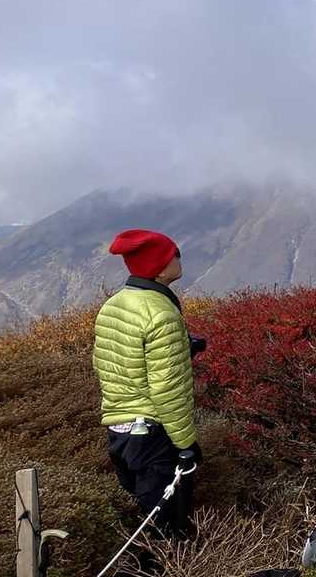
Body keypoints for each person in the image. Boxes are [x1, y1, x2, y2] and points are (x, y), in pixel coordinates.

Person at [92, 229, 202, 539]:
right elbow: (167, 390)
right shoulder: (161, 314)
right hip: (154, 436)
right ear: (160, 267)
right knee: (168, 527)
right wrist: (186, 444)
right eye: (174, 254)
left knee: (144, 519)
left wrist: (182, 349)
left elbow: (106, 363)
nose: (179, 259)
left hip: (120, 432)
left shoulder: (114, 305)